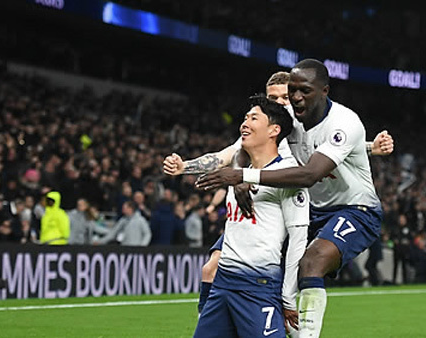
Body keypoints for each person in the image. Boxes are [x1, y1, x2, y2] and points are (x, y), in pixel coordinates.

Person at [163, 70, 393, 318]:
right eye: (273, 98)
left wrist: (369, 147)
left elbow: (333, 146)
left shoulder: (302, 124)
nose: (280, 102)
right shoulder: (269, 126)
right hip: (272, 206)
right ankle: (207, 327)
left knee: (301, 271)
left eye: (285, 97)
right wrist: (185, 167)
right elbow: (230, 153)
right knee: (212, 268)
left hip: (303, 205)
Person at [194, 95, 308, 338]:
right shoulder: (237, 177)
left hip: (258, 288)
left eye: (254, 118)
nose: (244, 123)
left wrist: (288, 297)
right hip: (223, 285)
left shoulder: (288, 178)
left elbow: (298, 240)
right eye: (245, 118)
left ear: (274, 130)